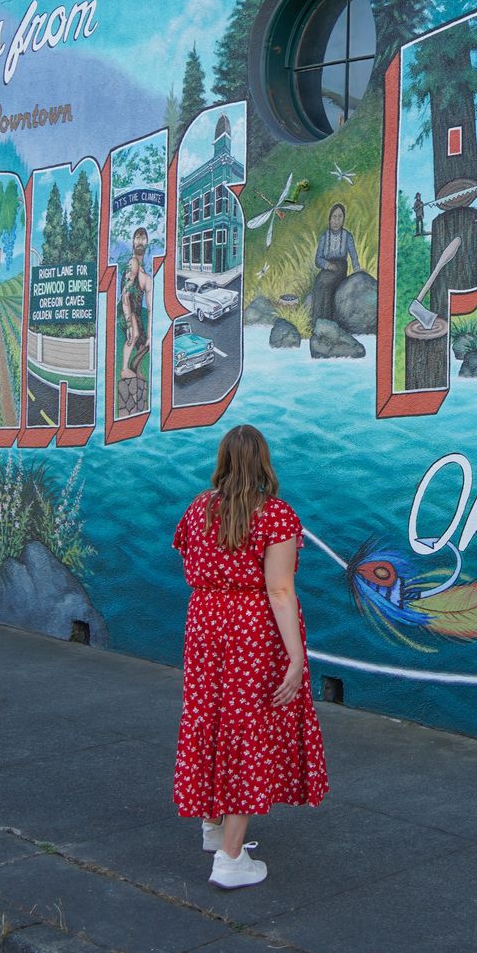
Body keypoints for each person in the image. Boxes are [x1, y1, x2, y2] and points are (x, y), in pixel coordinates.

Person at [172, 424, 329, 889]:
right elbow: (279, 590)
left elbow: (187, 563)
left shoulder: (198, 509)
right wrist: (297, 658)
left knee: (210, 717)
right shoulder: (275, 515)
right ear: (263, 462)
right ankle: (229, 858)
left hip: (203, 624)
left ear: (223, 460)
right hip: (251, 631)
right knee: (247, 729)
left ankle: (213, 824)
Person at [312, 202, 361, 322]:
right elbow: (318, 259)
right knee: (319, 282)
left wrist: (357, 271)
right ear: (329, 219)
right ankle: (316, 321)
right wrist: (327, 265)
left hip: (340, 266)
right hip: (327, 267)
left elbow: (353, 256)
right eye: (334, 217)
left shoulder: (347, 236)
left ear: (343, 220)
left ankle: (328, 321)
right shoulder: (324, 236)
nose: (337, 221)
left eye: (340, 217)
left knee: (328, 284)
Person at [120, 226, 152, 379]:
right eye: (137, 238)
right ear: (133, 242)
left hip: (137, 313)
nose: (140, 241)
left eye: (143, 238)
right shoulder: (132, 263)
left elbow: (150, 310)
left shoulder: (147, 277)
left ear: (147, 243)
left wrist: (151, 334)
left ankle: (136, 369)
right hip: (127, 310)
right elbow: (125, 296)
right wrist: (128, 324)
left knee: (144, 343)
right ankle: (124, 369)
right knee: (134, 334)